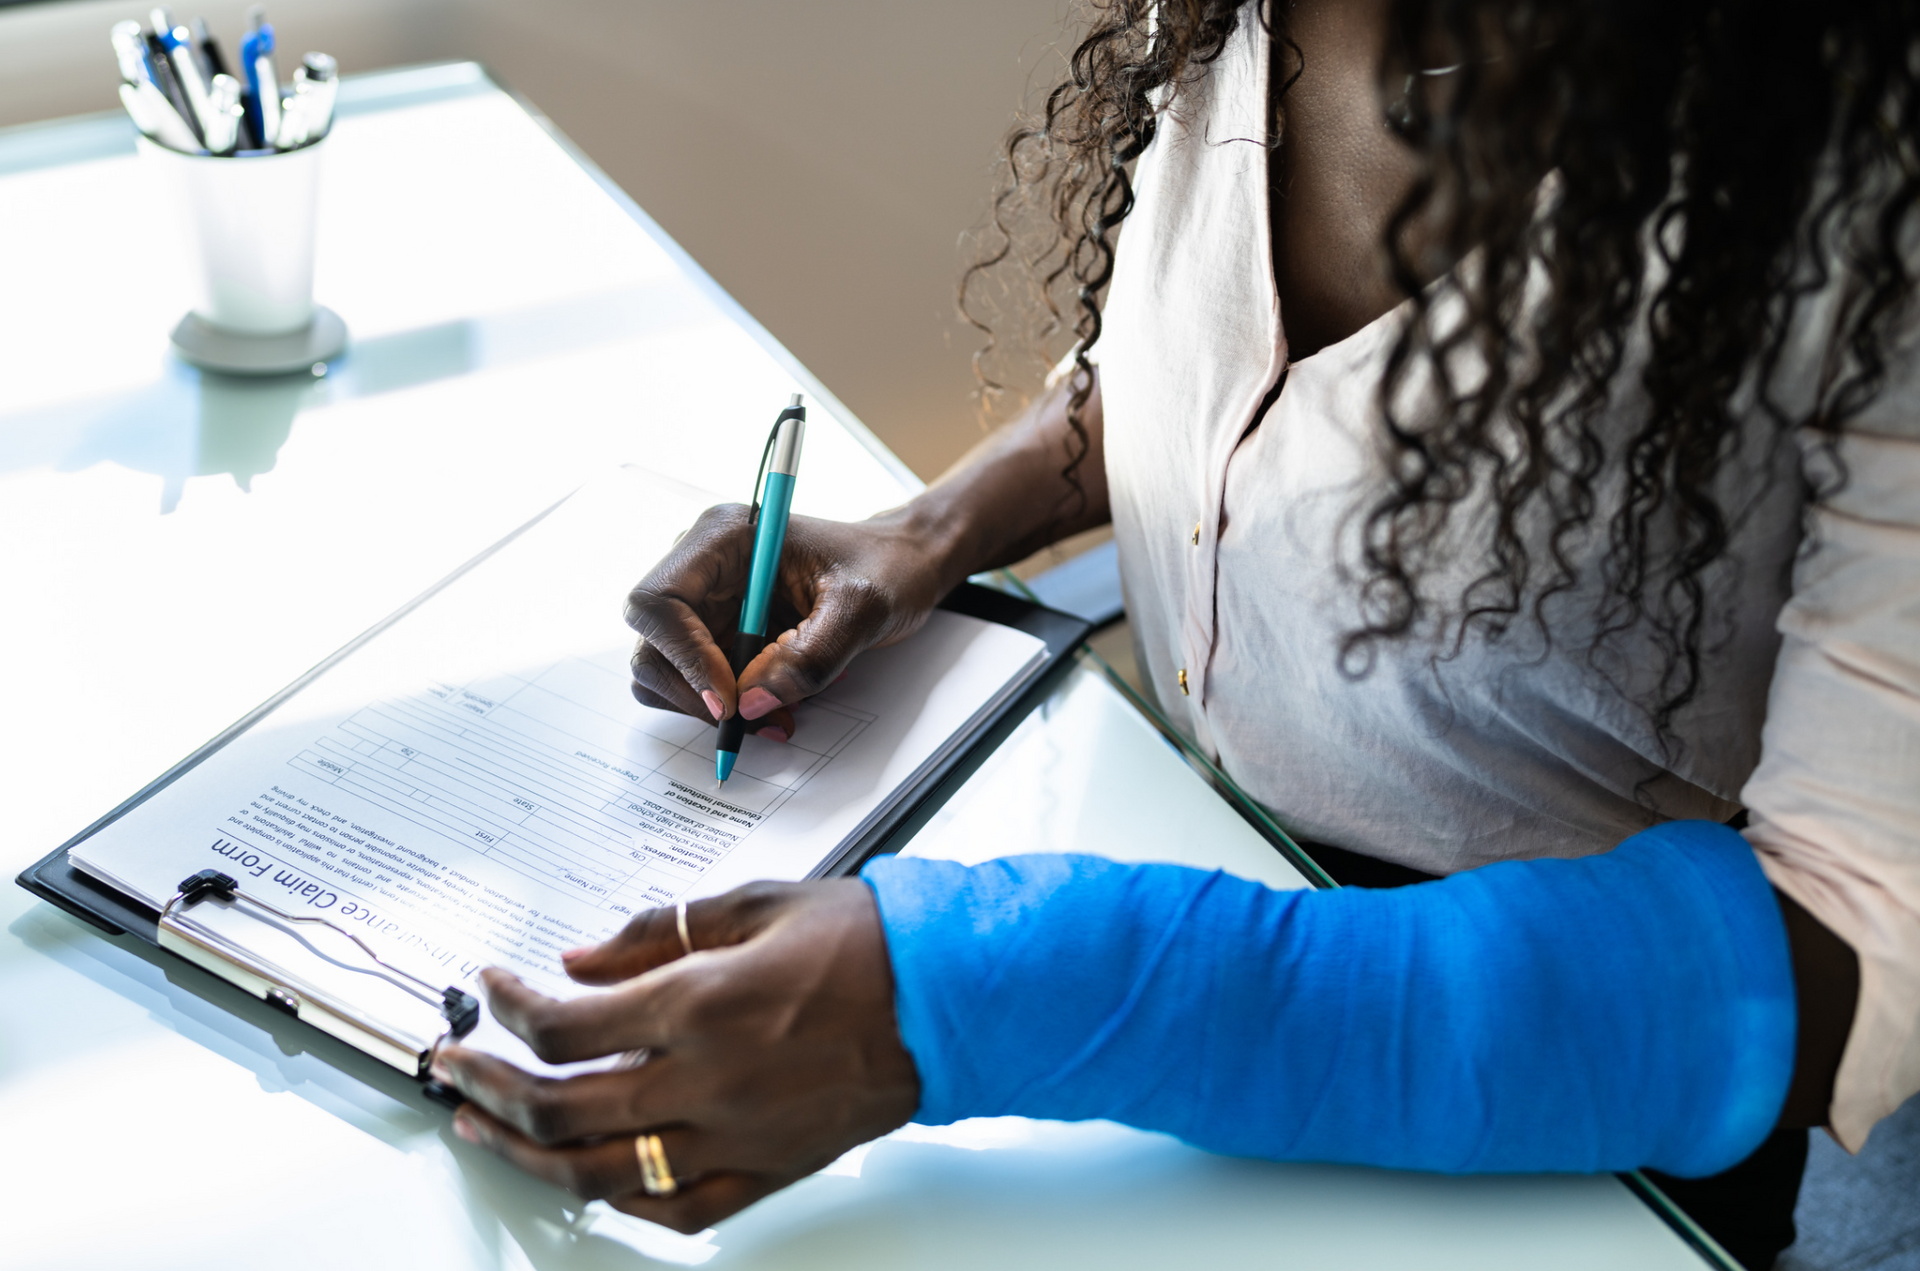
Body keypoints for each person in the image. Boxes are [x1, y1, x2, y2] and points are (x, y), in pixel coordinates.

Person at [428, 2, 1920, 1266]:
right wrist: (930, 529)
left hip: (1564, 1115)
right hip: (1184, 858)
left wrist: (1012, 979)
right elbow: (1223, 381)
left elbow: (1844, 947)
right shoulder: (1225, 16)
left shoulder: (1862, 165)